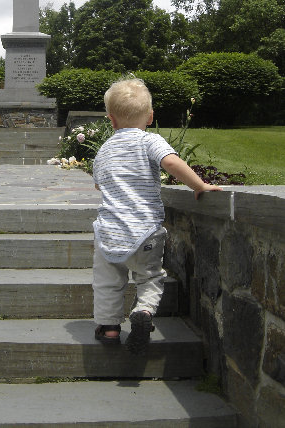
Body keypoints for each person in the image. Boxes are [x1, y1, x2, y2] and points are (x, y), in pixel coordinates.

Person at [93, 77, 222, 354]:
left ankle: (110, 327)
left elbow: (99, 184)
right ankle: (144, 312)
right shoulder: (149, 140)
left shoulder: (103, 151)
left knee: (108, 282)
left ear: (111, 121)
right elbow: (171, 162)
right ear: (150, 117)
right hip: (144, 232)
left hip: (109, 233)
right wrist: (199, 185)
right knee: (149, 276)